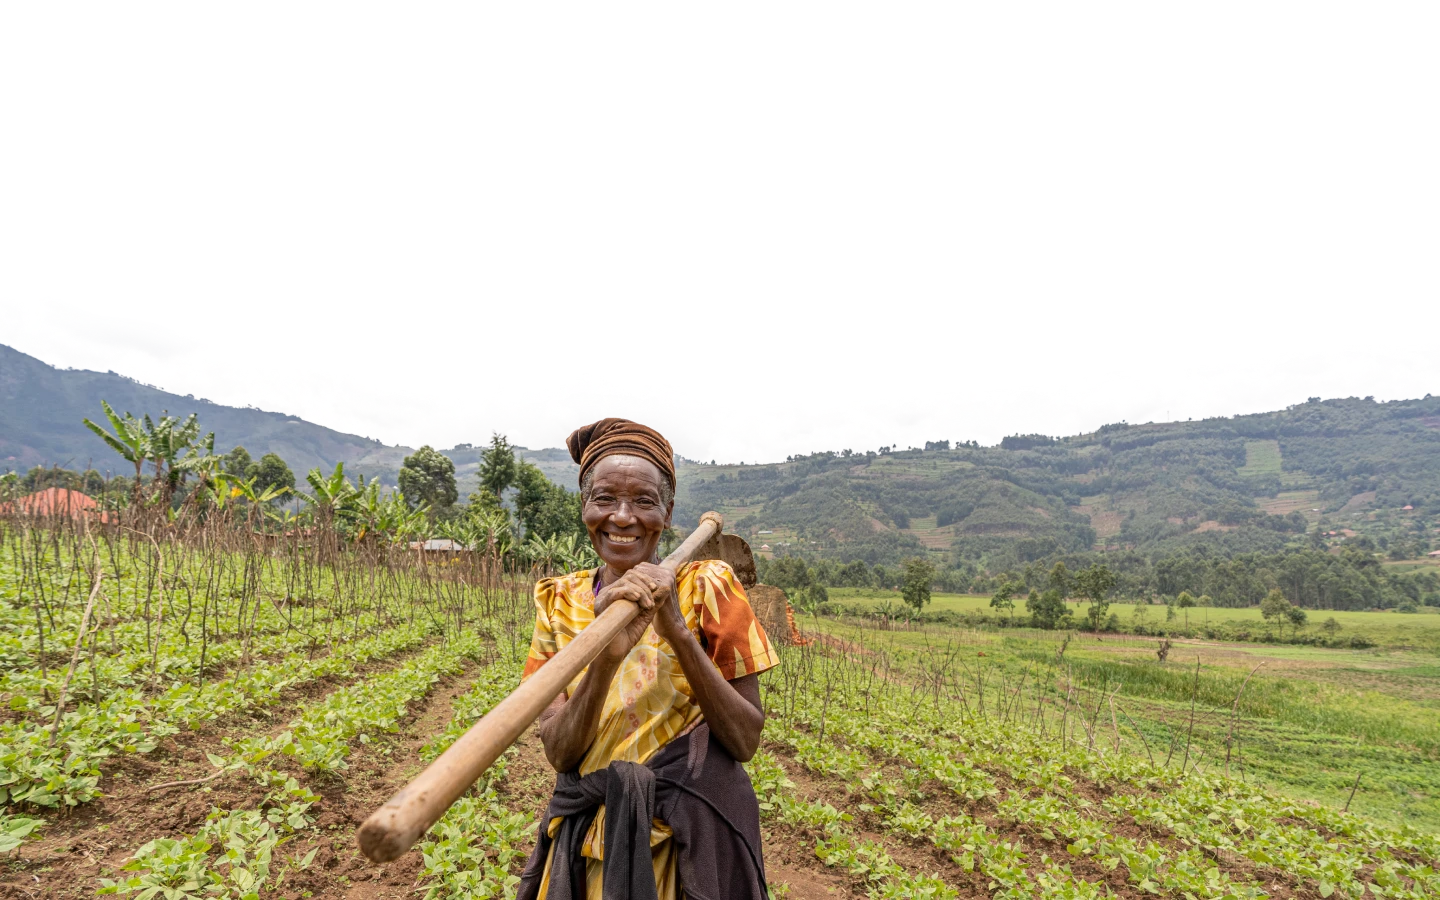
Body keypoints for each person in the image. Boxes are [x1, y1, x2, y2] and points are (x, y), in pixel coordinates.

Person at [516, 417, 779, 900]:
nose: (622, 516)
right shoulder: (559, 600)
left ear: (668, 512)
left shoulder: (708, 586)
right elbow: (559, 753)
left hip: (689, 847)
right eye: (605, 499)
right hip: (589, 845)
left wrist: (677, 630)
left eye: (643, 501)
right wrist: (605, 658)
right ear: (584, 506)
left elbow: (744, 739)